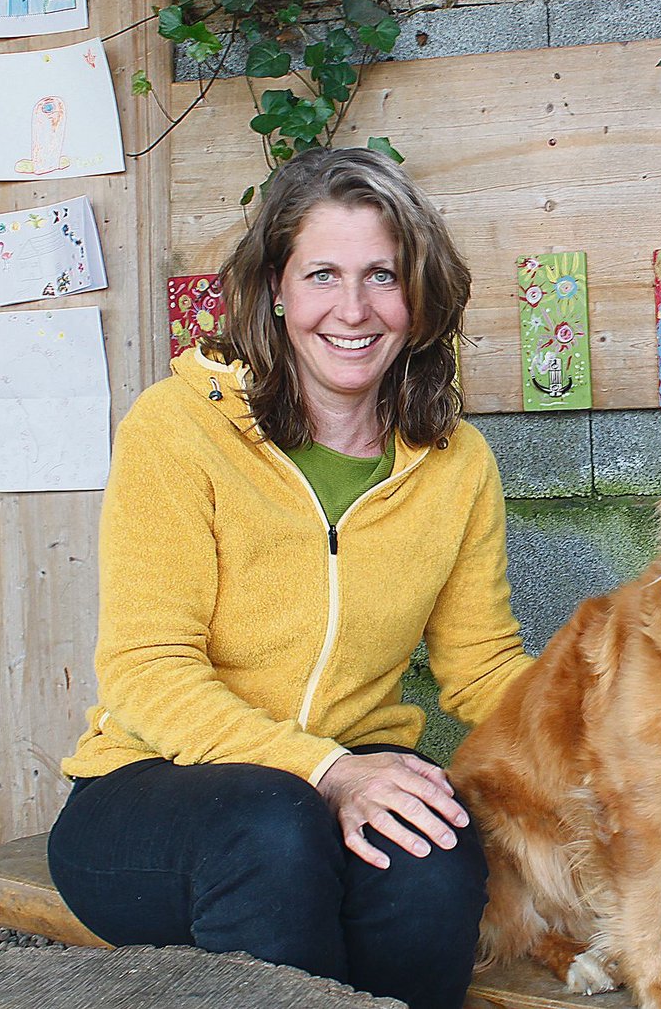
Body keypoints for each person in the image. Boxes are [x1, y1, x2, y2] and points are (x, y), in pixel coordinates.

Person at [48, 147, 534, 1009]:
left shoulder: (457, 463)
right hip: (155, 788)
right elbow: (146, 667)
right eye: (323, 275)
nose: (354, 309)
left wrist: (617, 722)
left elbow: (482, 665)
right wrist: (325, 771)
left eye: (383, 275)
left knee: (437, 858)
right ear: (276, 287)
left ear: (419, 295)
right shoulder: (176, 429)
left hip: (348, 766)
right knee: (275, 827)